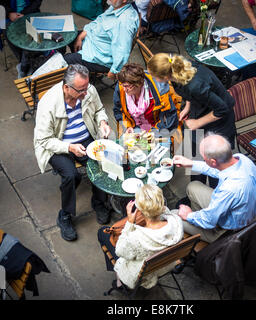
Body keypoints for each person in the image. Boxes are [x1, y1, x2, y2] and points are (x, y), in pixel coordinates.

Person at [33, 64, 112, 241]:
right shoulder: (48, 104)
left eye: (87, 88)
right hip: (58, 144)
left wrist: (103, 123)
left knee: (102, 164)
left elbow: (99, 110)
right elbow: (44, 140)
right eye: (81, 90)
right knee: (71, 176)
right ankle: (65, 216)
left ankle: (99, 202)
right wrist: (69, 147)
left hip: (85, 138)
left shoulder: (88, 90)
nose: (86, 93)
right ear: (66, 87)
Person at [147, 53, 236, 188]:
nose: (152, 78)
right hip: (199, 110)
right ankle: (194, 191)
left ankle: (212, 196)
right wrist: (188, 106)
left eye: (154, 76)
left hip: (219, 123)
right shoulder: (178, 68)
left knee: (213, 166)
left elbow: (223, 109)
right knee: (194, 159)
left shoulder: (196, 86)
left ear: (165, 77)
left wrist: (197, 123)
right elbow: (186, 84)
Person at [173, 133, 256, 243]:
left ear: (213, 161)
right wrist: (190, 163)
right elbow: (216, 169)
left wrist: (188, 215)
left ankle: (207, 237)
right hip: (238, 212)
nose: (204, 160)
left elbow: (209, 220)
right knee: (193, 186)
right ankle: (198, 219)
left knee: (174, 215)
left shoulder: (229, 189)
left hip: (229, 230)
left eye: (204, 159)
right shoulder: (241, 159)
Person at [97, 184, 183, 290]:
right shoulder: (176, 222)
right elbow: (167, 213)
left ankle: (119, 282)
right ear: (162, 204)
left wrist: (130, 223)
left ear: (140, 210)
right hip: (166, 263)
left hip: (142, 273)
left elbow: (119, 251)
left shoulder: (136, 239)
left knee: (102, 233)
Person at [64, 0, 139, 80]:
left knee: (63, 61)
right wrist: (81, 36)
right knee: (65, 36)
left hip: (97, 57)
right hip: (92, 41)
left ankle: (75, 77)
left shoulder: (125, 21)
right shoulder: (115, 7)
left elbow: (122, 51)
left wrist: (114, 71)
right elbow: (98, 21)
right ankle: (81, 72)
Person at [113, 63, 181, 135]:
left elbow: (170, 116)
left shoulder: (160, 90)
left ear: (139, 84)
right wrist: (127, 126)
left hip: (156, 128)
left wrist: (161, 133)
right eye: (123, 85)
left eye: (127, 86)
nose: (124, 89)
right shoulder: (121, 86)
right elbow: (118, 110)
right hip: (133, 127)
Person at [1, 0, 43, 77]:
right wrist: (10, 13)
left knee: (31, 32)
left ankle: (24, 65)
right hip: (9, 15)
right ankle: (24, 62)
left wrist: (25, 13)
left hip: (30, 12)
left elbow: (37, 2)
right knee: (8, 30)